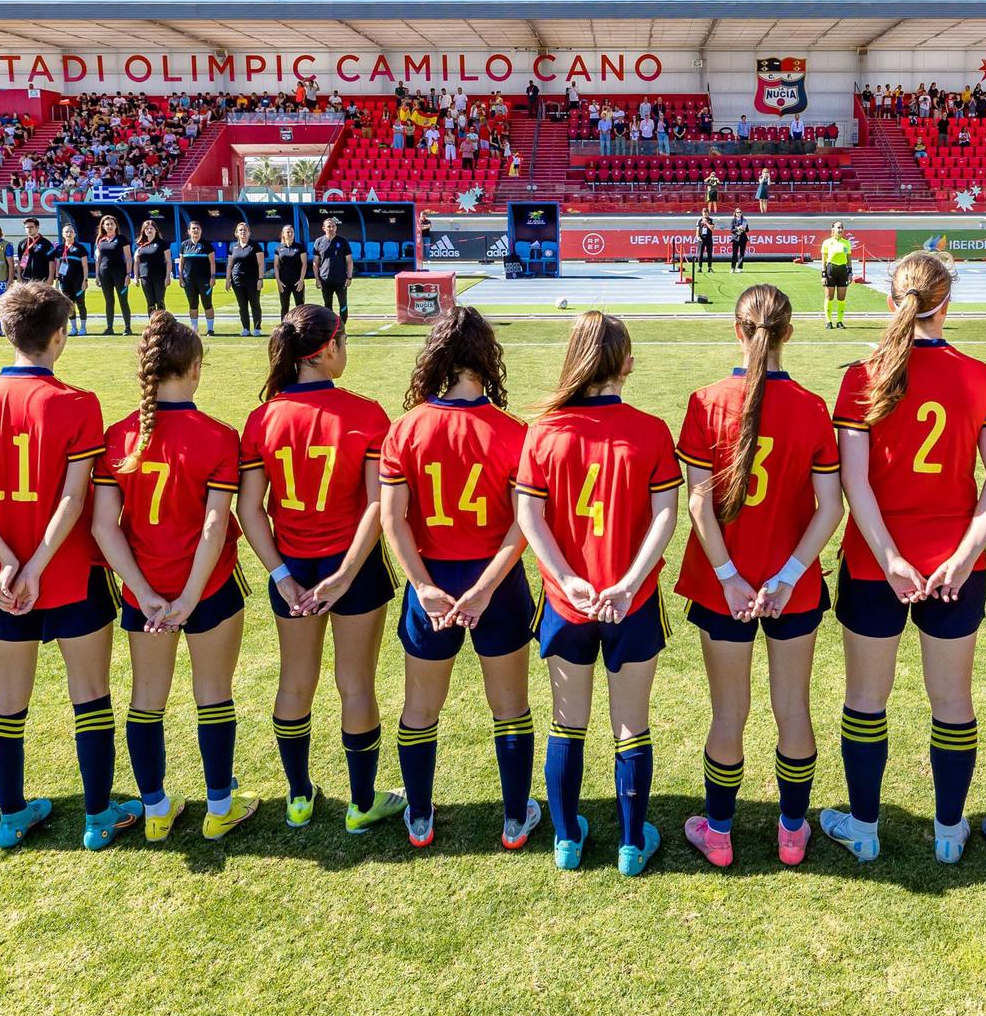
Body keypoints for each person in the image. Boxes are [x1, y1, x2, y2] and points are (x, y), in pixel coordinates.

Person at [818, 255, 986, 864]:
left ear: (890, 302)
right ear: (948, 303)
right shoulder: (978, 376)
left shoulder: (863, 376)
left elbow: (855, 480)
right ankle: (950, 833)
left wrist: (890, 558)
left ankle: (866, 828)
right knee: (952, 703)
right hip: (957, 570)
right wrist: (964, 556)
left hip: (877, 566)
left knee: (866, 700)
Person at [0, 282, 138, 851]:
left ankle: (10, 816)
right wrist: (35, 566)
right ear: (60, 335)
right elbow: (74, 501)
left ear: (8, 331)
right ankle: (99, 816)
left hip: (2, 583)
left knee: (8, 699)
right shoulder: (78, 403)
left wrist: (8, 562)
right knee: (90, 694)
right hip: (70, 571)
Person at [675, 287, 843, 868]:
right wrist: (792, 574)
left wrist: (727, 576)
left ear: (737, 330)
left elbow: (699, 504)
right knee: (793, 708)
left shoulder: (705, 401)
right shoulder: (813, 407)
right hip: (791, 591)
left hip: (723, 586)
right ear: (788, 333)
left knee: (729, 713)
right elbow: (831, 507)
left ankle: (718, 832)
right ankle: (792, 833)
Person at [515, 311, 682, 876]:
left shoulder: (545, 431)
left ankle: (566, 839)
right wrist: (630, 581)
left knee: (567, 720)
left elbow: (528, 518)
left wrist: (566, 579)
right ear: (627, 365)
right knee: (632, 722)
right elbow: (666, 518)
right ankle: (632, 846)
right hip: (631, 602)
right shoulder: (652, 430)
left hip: (567, 604)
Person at [91, 311, 258, 843]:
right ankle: (220, 807)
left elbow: (103, 526)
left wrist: (144, 593)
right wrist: (188, 596)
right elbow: (214, 528)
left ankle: (157, 809)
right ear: (195, 369)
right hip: (208, 588)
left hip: (147, 593)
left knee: (147, 700)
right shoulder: (217, 436)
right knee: (213, 694)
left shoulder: (119, 436)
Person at [237, 305, 404, 835]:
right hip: (354, 568)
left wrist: (282, 574)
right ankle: (361, 804)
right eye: (345, 340)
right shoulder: (367, 412)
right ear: (328, 348)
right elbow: (378, 506)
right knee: (355, 684)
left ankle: (299, 799)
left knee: (295, 681)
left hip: (293, 567)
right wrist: (346, 574)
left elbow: (248, 510)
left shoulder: (264, 417)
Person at [378, 308, 541, 850]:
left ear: (436, 356)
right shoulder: (514, 432)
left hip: (432, 579)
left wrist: (423, 586)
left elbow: (391, 517)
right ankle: (516, 819)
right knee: (510, 706)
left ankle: (420, 817)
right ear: (485, 356)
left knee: (421, 708)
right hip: (498, 582)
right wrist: (486, 587)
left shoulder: (406, 428)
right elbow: (525, 524)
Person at [174, 220, 218, 335]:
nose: (196, 230)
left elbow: (212, 263)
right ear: (188, 231)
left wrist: (213, 277)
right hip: (189, 281)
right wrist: (180, 277)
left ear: (201, 231)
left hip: (205, 280)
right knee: (193, 305)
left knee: (207, 304)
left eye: (198, 228)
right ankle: (194, 329)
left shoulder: (207, 245)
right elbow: (181, 263)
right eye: (193, 228)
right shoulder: (184, 245)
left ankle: (210, 329)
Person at [95, 214, 133, 335]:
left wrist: (128, 274)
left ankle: (127, 327)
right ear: (103, 226)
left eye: (112, 224)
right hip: (104, 273)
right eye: (107, 224)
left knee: (123, 300)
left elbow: (128, 257)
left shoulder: (122, 239)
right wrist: (97, 275)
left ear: (116, 225)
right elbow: (98, 259)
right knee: (109, 301)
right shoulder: (100, 240)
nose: (109, 226)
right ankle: (109, 327)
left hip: (120, 273)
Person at [313, 216, 354, 325]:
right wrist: (317, 279)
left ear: (336, 228)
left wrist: (349, 277)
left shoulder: (343, 241)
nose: (331, 228)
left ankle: (342, 326)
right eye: (329, 226)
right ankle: (331, 327)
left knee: (343, 304)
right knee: (327, 305)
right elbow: (315, 263)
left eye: (333, 226)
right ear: (323, 228)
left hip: (341, 279)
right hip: (325, 279)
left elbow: (349, 261)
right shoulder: (318, 242)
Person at [225, 222, 264, 337]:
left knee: (255, 304)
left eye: (245, 230)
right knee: (242, 306)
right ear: (236, 233)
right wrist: (228, 279)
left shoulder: (255, 246)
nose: (242, 232)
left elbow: (261, 264)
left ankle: (257, 328)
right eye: (240, 230)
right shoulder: (233, 247)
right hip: (237, 280)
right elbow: (230, 264)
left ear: (249, 232)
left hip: (252, 280)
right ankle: (245, 328)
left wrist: (260, 279)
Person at [53, 224, 91, 337]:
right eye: (66, 232)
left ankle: (83, 327)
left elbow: (85, 266)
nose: (68, 233)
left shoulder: (80, 248)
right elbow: (58, 265)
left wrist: (85, 280)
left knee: (80, 303)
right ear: (63, 234)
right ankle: (74, 328)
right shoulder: (59, 249)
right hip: (64, 281)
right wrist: (56, 280)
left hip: (78, 281)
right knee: (68, 304)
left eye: (71, 231)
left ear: (74, 234)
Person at [820, 221, 855, 328]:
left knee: (841, 298)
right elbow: (824, 260)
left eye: (842, 227)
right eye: (838, 227)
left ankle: (839, 321)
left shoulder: (846, 243)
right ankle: (828, 321)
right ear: (833, 229)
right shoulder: (827, 242)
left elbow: (849, 259)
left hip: (843, 271)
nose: (840, 230)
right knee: (829, 297)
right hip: (831, 270)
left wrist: (850, 273)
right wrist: (823, 275)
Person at [133, 219, 170, 317]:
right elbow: (136, 261)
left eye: (151, 228)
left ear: (155, 230)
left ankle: (163, 325)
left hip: (159, 276)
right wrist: (136, 276)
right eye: (147, 228)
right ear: (143, 231)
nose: (149, 230)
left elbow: (168, 261)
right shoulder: (140, 245)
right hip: (145, 277)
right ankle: (152, 325)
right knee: (150, 302)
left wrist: (168, 276)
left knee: (160, 301)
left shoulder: (162, 243)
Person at [273, 223, 307, 319]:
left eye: (292, 232)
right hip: (283, 281)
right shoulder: (278, 248)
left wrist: (301, 280)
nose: (290, 233)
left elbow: (304, 264)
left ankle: (301, 327)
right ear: (283, 234)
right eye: (288, 232)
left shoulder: (300, 247)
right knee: (284, 307)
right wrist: (278, 281)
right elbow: (276, 265)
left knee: (300, 306)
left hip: (297, 281)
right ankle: (283, 328)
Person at [15, 217, 53, 289]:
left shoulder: (46, 243)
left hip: (42, 279)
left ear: (37, 227)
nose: (29, 229)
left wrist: (50, 277)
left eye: (31, 227)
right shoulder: (22, 243)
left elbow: (51, 261)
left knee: (42, 299)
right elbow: (20, 261)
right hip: (25, 279)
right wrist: (19, 276)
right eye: (27, 227)